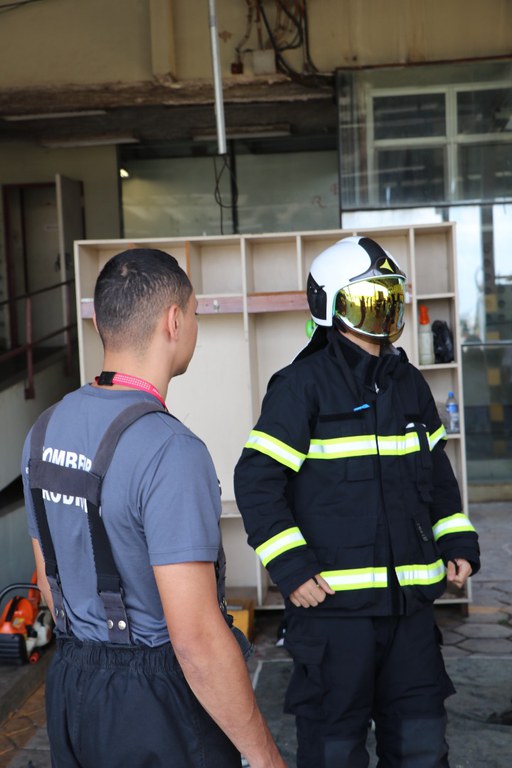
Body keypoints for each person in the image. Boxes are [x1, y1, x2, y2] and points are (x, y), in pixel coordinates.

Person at [21, 248, 286, 768]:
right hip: (156, 703)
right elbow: (195, 638)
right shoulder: (171, 450)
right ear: (174, 321)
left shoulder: (43, 430)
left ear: (100, 321)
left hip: (73, 688)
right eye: (194, 314)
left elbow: (48, 583)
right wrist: (262, 753)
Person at [234, 236, 480, 768]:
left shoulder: (409, 384)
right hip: (333, 621)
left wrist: (456, 539)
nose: (385, 313)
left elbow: (437, 474)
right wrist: (292, 568)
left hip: (410, 615)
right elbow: (256, 479)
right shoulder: (300, 387)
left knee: (421, 749)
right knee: (333, 753)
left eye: (390, 300)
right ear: (332, 306)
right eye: (371, 300)